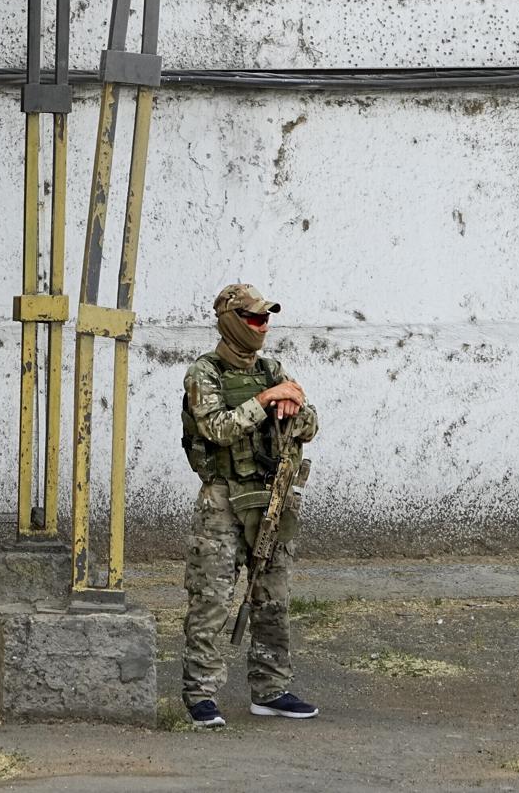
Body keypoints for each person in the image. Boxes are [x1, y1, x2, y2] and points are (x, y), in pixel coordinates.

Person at [179, 283, 320, 727]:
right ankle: (200, 693)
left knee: (272, 598)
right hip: (223, 497)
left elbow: (310, 424)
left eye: (265, 319)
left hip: (272, 496)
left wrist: (292, 406)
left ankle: (271, 689)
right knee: (213, 599)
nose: (262, 326)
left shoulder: (272, 369)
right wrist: (263, 403)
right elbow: (217, 429)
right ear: (229, 321)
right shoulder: (204, 374)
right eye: (254, 318)